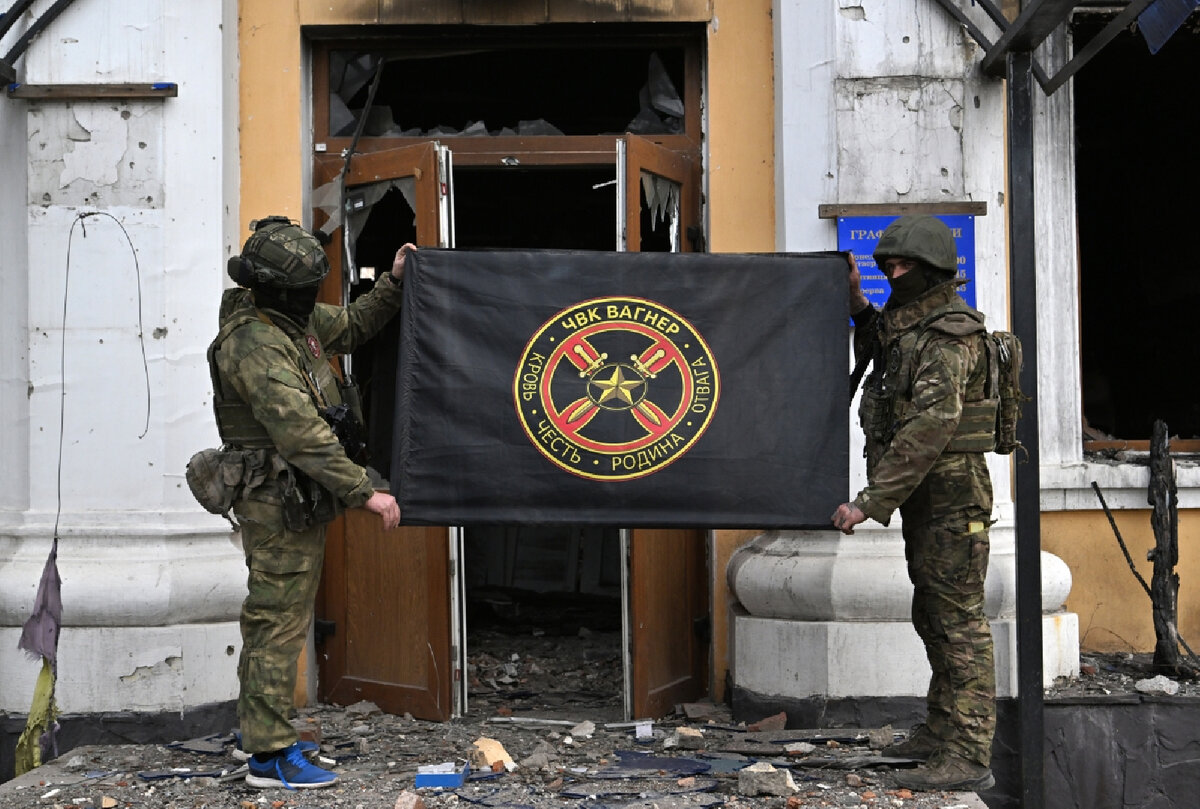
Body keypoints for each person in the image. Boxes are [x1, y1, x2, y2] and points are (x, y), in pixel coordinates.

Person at [209, 216, 414, 789]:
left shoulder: (288, 321)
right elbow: (301, 433)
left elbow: (350, 325)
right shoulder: (254, 343)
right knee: (277, 622)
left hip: (294, 496)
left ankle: (258, 733)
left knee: (275, 619)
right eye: (304, 290)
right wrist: (364, 491)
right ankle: (270, 758)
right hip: (275, 501)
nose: (311, 300)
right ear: (275, 288)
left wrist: (394, 281)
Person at [830, 215, 996, 792]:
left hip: (953, 500)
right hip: (927, 499)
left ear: (934, 270)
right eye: (889, 265)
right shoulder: (914, 323)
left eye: (906, 266)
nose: (895, 273)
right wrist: (857, 302)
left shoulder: (949, 336)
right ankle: (941, 731)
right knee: (932, 614)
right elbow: (881, 341)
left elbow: (931, 426)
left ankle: (969, 753)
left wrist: (869, 501)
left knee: (959, 623)